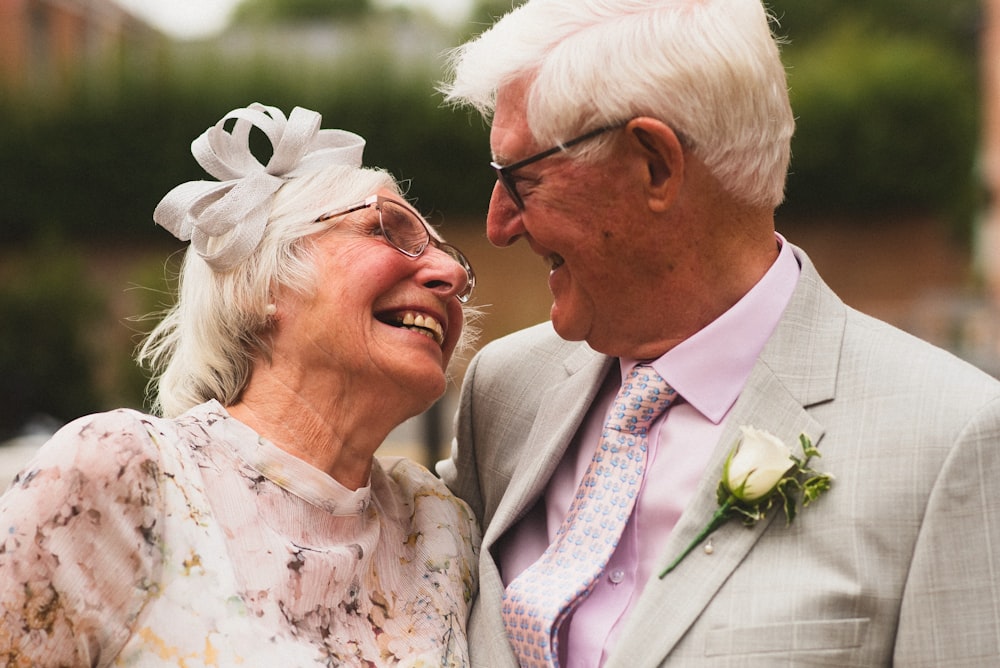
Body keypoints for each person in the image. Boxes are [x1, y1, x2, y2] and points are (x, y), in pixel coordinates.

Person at [436, 1, 1000, 666]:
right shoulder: (506, 391)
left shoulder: (952, 439)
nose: (499, 224)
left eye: (520, 179)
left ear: (655, 165)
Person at [0, 102, 480, 666]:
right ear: (263, 281)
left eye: (450, 258)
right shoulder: (126, 476)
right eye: (386, 230)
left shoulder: (440, 526)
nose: (448, 275)